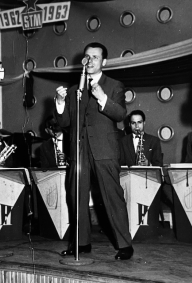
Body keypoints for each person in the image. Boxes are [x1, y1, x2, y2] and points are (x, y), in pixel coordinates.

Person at [54, 42, 133, 260]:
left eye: (95, 57)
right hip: (78, 150)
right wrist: (60, 103)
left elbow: (120, 115)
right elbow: (65, 122)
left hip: (104, 149)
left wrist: (102, 97)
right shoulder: (73, 90)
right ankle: (81, 243)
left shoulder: (115, 85)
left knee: (112, 197)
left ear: (104, 62)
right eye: (87, 57)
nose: (90, 61)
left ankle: (125, 245)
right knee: (76, 195)